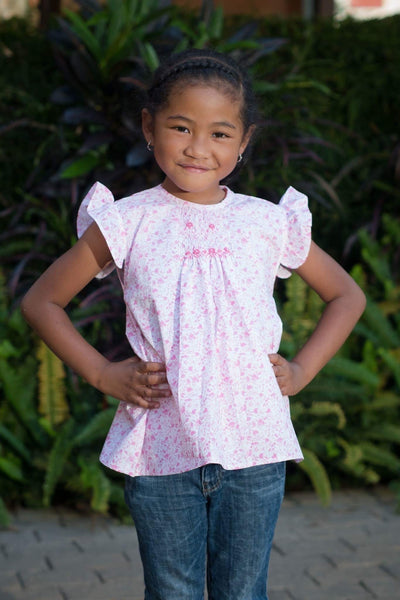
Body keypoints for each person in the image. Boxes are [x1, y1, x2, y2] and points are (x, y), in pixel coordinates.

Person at [21, 48, 366, 600]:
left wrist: (301, 371)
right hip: (160, 448)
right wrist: (103, 374)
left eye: (220, 134)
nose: (198, 148)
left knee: (243, 591)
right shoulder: (127, 221)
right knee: (172, 592)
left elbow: (346, 295)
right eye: (181, 127)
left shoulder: (266, 222)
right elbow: (42, 302)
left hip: (254, 450)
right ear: (148, 127)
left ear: (244, 141)